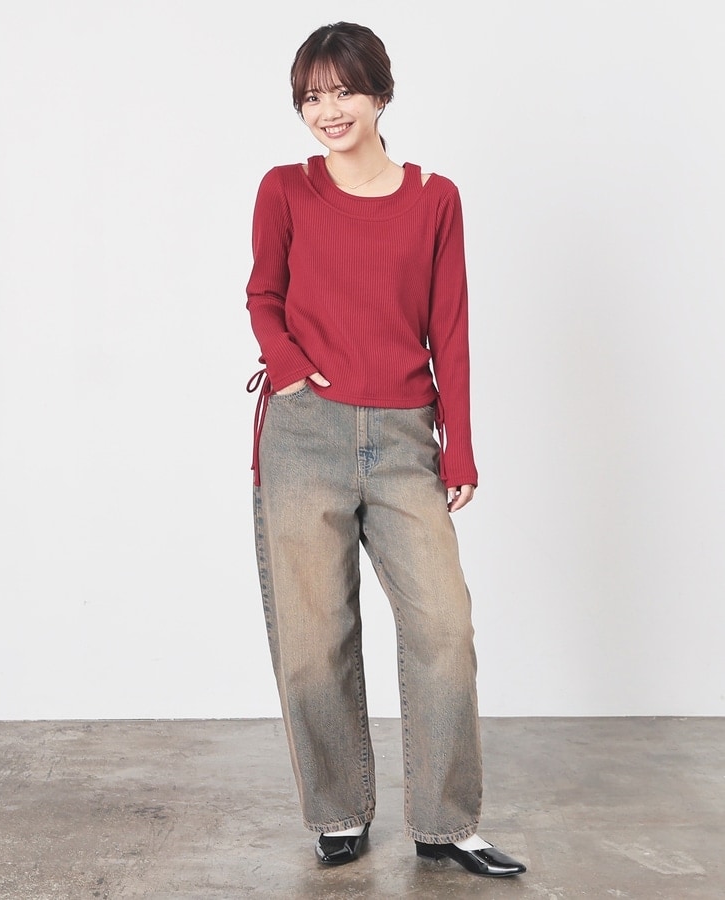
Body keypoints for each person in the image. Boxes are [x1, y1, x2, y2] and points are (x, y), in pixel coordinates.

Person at [244, 21, 526, 879]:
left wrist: (459, 447)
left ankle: (445, 825)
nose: (328, 110)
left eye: (344, 91)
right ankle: (338, 813)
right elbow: (263, 296)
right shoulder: (285, 189)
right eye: (311, 96)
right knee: (312, 637)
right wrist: (292, 372)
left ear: (381, 94)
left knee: (443, 627)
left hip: (405, 437)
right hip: (305, 435)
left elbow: (451, 327)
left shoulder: (435, 198)